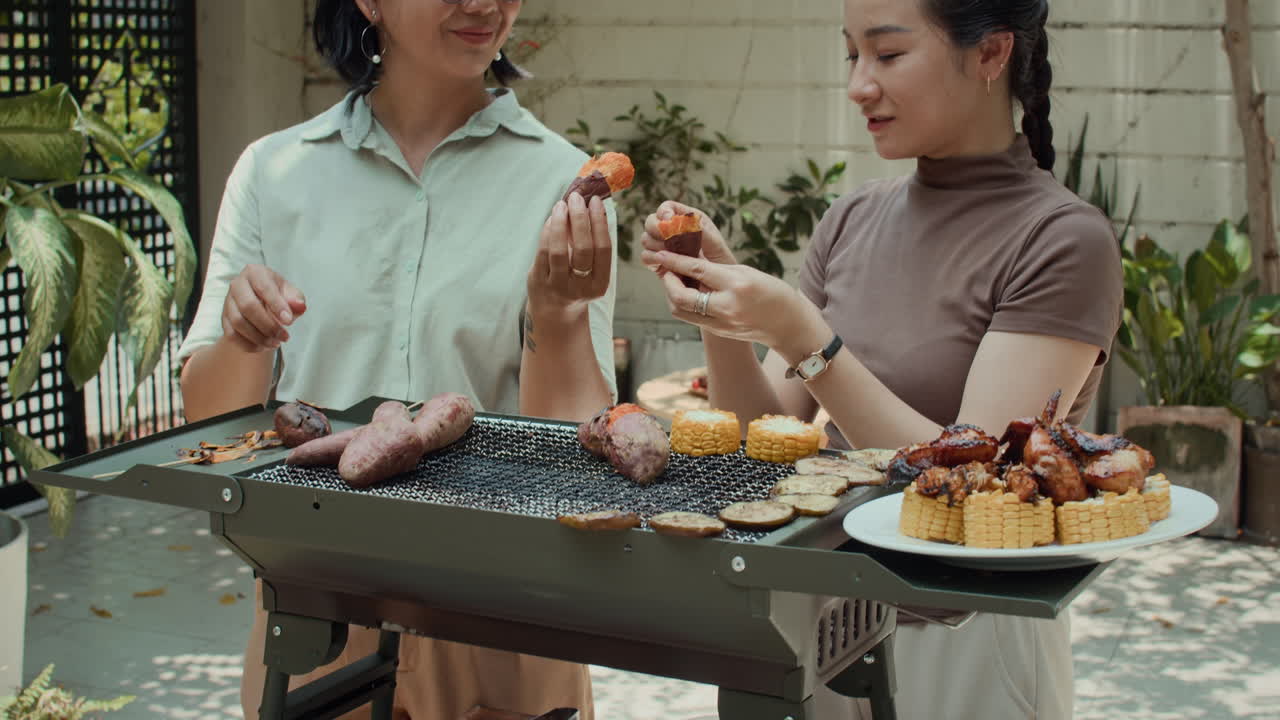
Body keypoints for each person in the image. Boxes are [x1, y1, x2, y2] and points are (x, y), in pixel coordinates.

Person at [641, 0, 1121, 718]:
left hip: (960, 644)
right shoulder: (852, 219)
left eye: (888, 55)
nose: (860, 85)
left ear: (991, 54)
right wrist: (717, 305)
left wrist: (807, 337)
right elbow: (765, 441)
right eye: (852, 55)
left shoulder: (1062, 241)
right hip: (814, 621)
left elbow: (977, 483)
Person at [177, 0, 618, 717]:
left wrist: (559, 317)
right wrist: (242, 335)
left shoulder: (565, 183)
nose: (483, 4)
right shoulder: (274, 172)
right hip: (318, 602)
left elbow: (576, 447)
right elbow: (213, 425)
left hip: (504, 612)